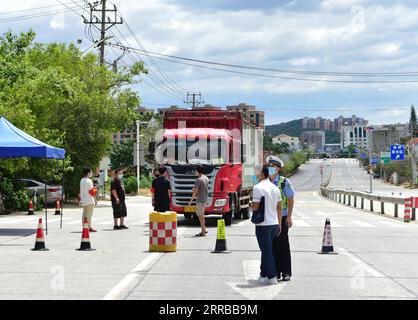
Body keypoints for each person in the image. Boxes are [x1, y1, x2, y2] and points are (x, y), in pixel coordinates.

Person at [251, 165, 282, 285]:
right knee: (267, 250)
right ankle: (263, 274)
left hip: (263, 224)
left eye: (256, 174)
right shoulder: (275, 188)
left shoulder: (258, 188)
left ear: (262, 175)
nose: (255, 176)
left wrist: (250, 205)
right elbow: (279, 208)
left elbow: (256, 206)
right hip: (274, 223)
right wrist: (279, 224)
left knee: (267, 251)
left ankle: (272, 275)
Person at [268, 156, 295, 282]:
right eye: (269, 166)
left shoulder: (284, 182)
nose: (271, 168)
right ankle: (275, 272)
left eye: (273, 166)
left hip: (282, 217)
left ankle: (286, 272)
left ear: (278, 169)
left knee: (283, 245)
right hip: (269, 218)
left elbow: (290, 199)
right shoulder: (264, 181)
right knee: (272, 246)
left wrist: (289, 217)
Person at [188, 165, 209, 237]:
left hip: (200, 199)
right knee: (201, 215)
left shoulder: (198, 180)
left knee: (200, 216)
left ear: (197, 171)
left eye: (195, 171)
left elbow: (195, 192)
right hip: (205, 198)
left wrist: (190, 201)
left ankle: (203, 231)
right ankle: (204, 229)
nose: (195, 172)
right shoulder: (205, 178)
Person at [79, 167, 97, 232]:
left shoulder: (82, 180)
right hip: (89, 199)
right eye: (91, 172)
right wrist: (95, 199)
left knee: (84, 214)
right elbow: (92, 191)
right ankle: (89, 227)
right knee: (89, 214)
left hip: (83, 199)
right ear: (88, 173)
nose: (91, 173)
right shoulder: (89, 181)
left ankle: (84, 226)